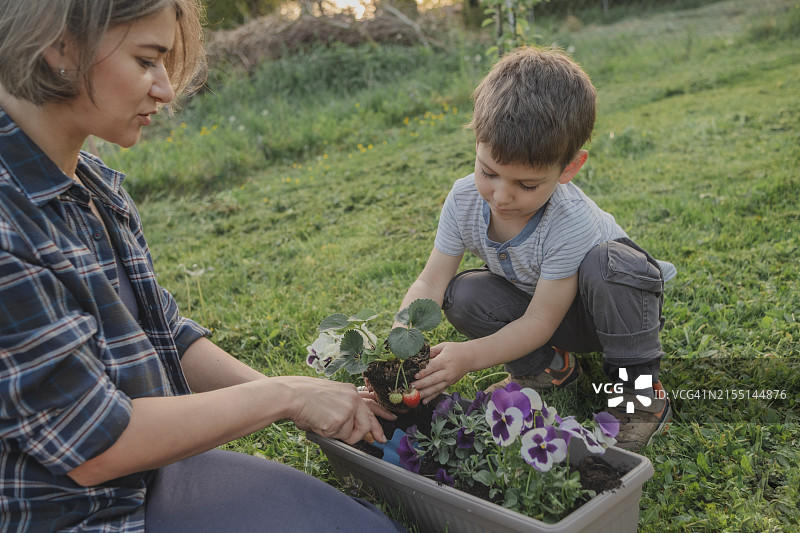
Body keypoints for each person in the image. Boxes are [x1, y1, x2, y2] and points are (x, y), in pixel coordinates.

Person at [0, 1, 405, 531]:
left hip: (151, 476)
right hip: (79, 512)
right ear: (59, 46)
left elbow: (161, 331)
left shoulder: (91, 184)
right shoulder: (9, 226)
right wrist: (284, 396)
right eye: (147, 61)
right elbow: (97, 445)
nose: (166, 90)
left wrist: (304, 400)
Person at [399, 46, 675, 451]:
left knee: (607, 263)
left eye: (526, 185)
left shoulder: (571, 219)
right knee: (463, 294)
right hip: (541, 306)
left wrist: (468, 357)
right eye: (488, 172)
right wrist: (401, 336)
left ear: (569, 168)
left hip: (607, 312)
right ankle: (547, 370)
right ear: (477, 141)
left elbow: (541, 323)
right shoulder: (462, 200)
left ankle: (639, 394)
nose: (502, 196)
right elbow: (431, 280)